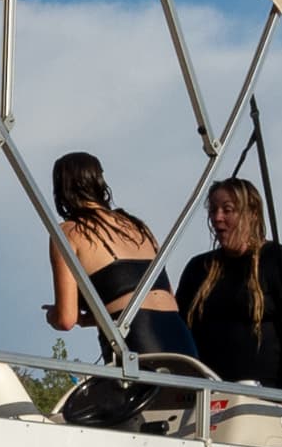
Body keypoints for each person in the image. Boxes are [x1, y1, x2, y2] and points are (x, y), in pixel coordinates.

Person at [44, 153, 197, 364]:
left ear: (61, 189)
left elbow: (66, 319)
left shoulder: (69, 232)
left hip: (138, 338)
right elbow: (163, 297)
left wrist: (53, 315)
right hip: (179, 336)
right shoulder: (137, 226)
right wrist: (88, 319)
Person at [174, 177, 282, 391]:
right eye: (213, 210)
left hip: (265, 394)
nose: (217, 218)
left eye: (227, 210)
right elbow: (178, 330)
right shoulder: (198, 268)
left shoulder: (279, 260)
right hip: (205, 395)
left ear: (252, 213)